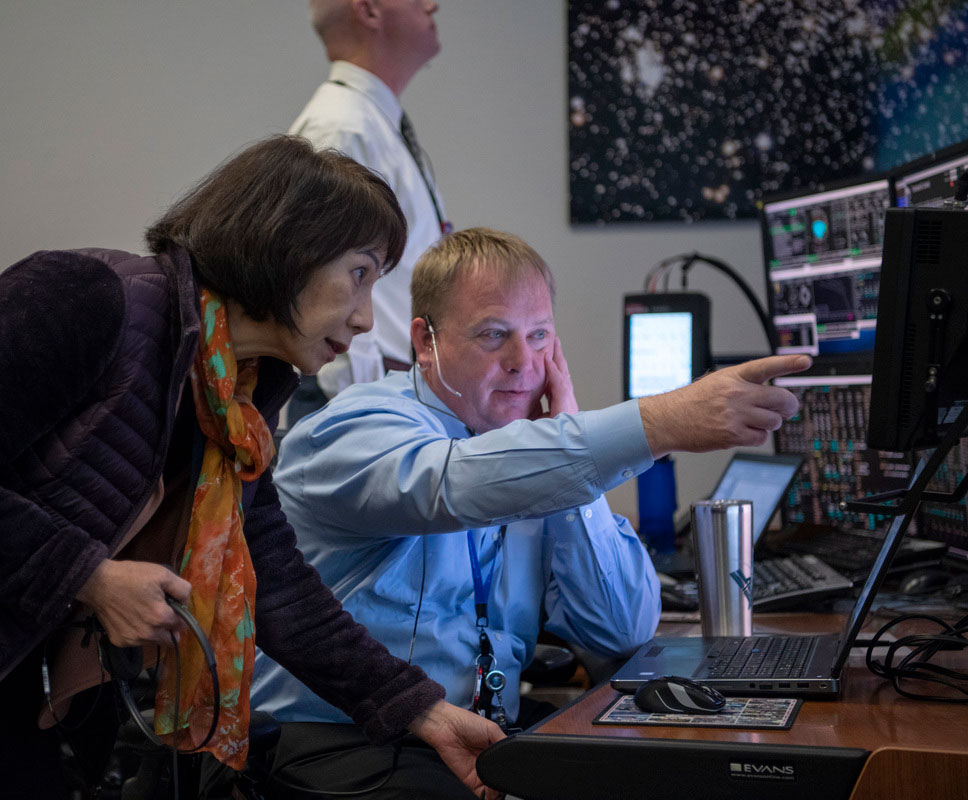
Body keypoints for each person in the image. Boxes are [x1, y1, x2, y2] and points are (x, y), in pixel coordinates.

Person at [0, 136, 504, 800]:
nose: (365, 317)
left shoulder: (233, 395)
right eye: (359, 273)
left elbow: (273, 577)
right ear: (289, 246)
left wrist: (418, 708)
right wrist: (88, 575)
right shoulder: (88, 296)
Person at [242, 228, 811, 798]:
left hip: (479, 737)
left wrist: (569, 449)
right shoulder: (355, 427)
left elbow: (620, 630)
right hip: (341, 739)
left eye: (538, 336)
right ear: (426, 341)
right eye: (494, 335)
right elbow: (456, 483)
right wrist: (657, 422)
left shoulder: (538, 455)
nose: (522, 362)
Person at [289, 0, 446, 410]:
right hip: (359, 396)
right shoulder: (342, 127)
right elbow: (331, 280)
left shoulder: (370, 124)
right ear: (370, 9)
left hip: (387, 390)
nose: (433, 4)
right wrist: (362, 405)